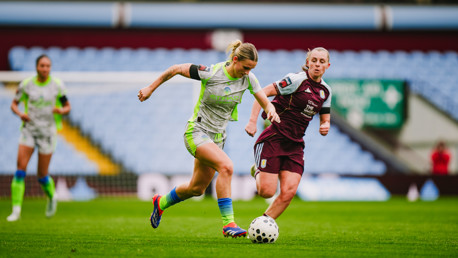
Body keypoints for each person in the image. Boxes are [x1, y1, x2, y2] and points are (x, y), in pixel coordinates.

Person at [137, 40, 280, 238]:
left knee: (197, 188)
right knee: (227, 166)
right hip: (196, 132)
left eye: (251, 69)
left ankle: (160, 203)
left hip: (217, 138)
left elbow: (265, 101)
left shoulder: (248, 78)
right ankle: (228, 224)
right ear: (235, 59)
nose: (247, 72)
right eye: (246, 67)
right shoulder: (212, 72)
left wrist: (271, 111)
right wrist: (150, 88)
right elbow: (177, 69)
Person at [245, 47, 332, 220]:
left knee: (289, 191)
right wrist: (252, 121)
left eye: (321, 62)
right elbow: (262, 93)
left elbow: (325, 119)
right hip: (274, 138)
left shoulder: (326, 91)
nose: (317, 64)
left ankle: (264, 223)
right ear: (307, 63)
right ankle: (257, 170)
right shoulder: (295, 80)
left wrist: (325, 125)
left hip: (295, 144)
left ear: (327, 66)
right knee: (266, 192)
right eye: (314, 60)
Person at [7, 54, 71, 222]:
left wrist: (61, 111)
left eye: (48, 66)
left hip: (48, 132)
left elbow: (67, 106)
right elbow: (14, 103)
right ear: (36, 67)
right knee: (20, 170)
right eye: (42, 65)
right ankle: (16, 210)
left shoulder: (57, 86)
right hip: (29, 130)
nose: (45, 68)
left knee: (41, 174)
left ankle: (51, 197)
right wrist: (21, 113)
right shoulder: (26, 85)